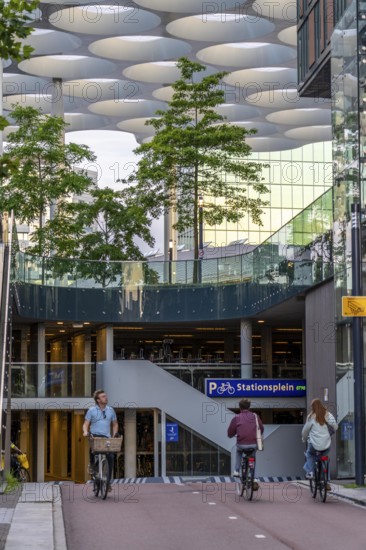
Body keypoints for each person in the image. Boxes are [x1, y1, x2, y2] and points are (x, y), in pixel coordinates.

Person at [83, 389, 119, 488]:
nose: (106, 398)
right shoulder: (91, 410)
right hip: (94, 435)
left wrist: (114, 434)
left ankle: (107, 482)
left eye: (105, 396)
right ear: (98, 400)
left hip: (107, 437)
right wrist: (85, 431)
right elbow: (86, 424)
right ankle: (92, 465)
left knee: (111, 456)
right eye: (103, 396)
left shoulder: (111, 410)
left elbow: (115, 424)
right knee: (93, 450)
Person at [227, 398, 264, 485]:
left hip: (241, 444)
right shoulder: (255, 416)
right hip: (253, 444)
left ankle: (236, 470)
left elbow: (230, 432)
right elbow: (261, 428)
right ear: (249, 407)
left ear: (240, 407)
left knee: (238, 451)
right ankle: (255, 477)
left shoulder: (237, 418)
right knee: (253, 457)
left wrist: (231, 435)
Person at [301, 398, 338, 484]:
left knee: (309, 454)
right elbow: (335, 427)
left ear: (312, 407)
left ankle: (310, 472)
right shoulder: (328, 415)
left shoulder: (311, 417)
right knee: (325, 460)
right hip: (326, 445)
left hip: (314, 445)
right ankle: (327, 481)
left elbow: (305, 431)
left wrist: (304, 439)